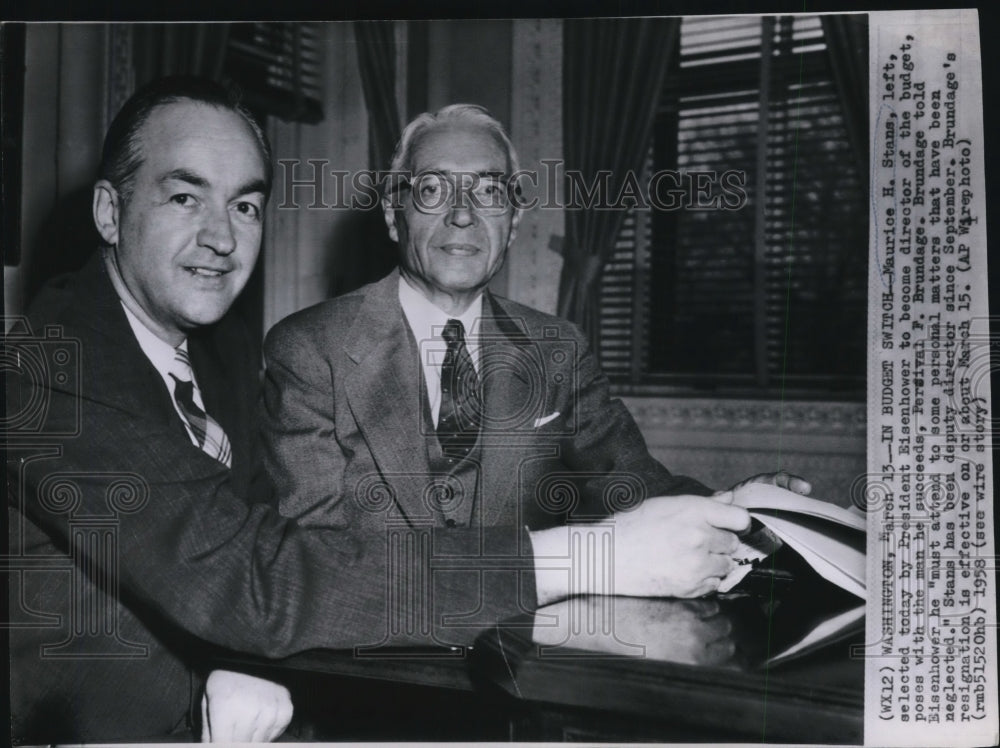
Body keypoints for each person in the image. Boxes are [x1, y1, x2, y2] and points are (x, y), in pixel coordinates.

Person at [6, 78, 474, 744]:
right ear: (110, 213)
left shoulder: (215, 352)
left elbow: (271, 525)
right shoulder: (49, 371)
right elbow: (245, 576)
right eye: (184, 196)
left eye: (246, 206)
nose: (223, 237)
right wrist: (541, 565)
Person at [261, 104, 808, 643]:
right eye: (433, 189)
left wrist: (739, 505)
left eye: (489, 192)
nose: (462, 214)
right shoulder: (312, 350)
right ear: (392, 212)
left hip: (519, 668)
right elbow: (317, 565)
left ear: (514, 221)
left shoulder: (556, 349)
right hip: (370, 669)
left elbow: (636, 487)